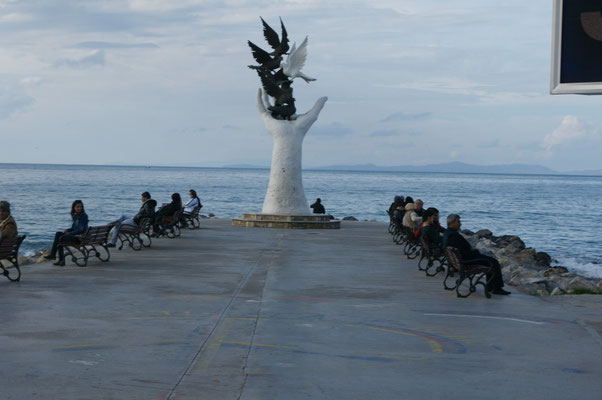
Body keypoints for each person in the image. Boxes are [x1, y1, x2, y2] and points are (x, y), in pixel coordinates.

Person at [442, 214, 511, 295]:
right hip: (467, 261)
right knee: (493, 262)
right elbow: (467, 253)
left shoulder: (448, 233)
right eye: (458, 222)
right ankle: (497, 288)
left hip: (460, 260)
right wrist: (476, 252)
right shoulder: (454, 236)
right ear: (451, 223)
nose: (460, 224)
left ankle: (490, 286)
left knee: (489, 261)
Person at [44, 200, 89, 266]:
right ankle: (54, 256)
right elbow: (73, 228)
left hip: (79, 238)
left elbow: (80, 229)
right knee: (58, 234)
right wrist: (67, 230)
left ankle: (58, 258)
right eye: (77, 207)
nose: (79, 208)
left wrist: (69, 234)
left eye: (80, 207)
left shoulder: (83, 216)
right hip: (77, 236)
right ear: (74, 208)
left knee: (60, 239)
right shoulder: (77, 216)